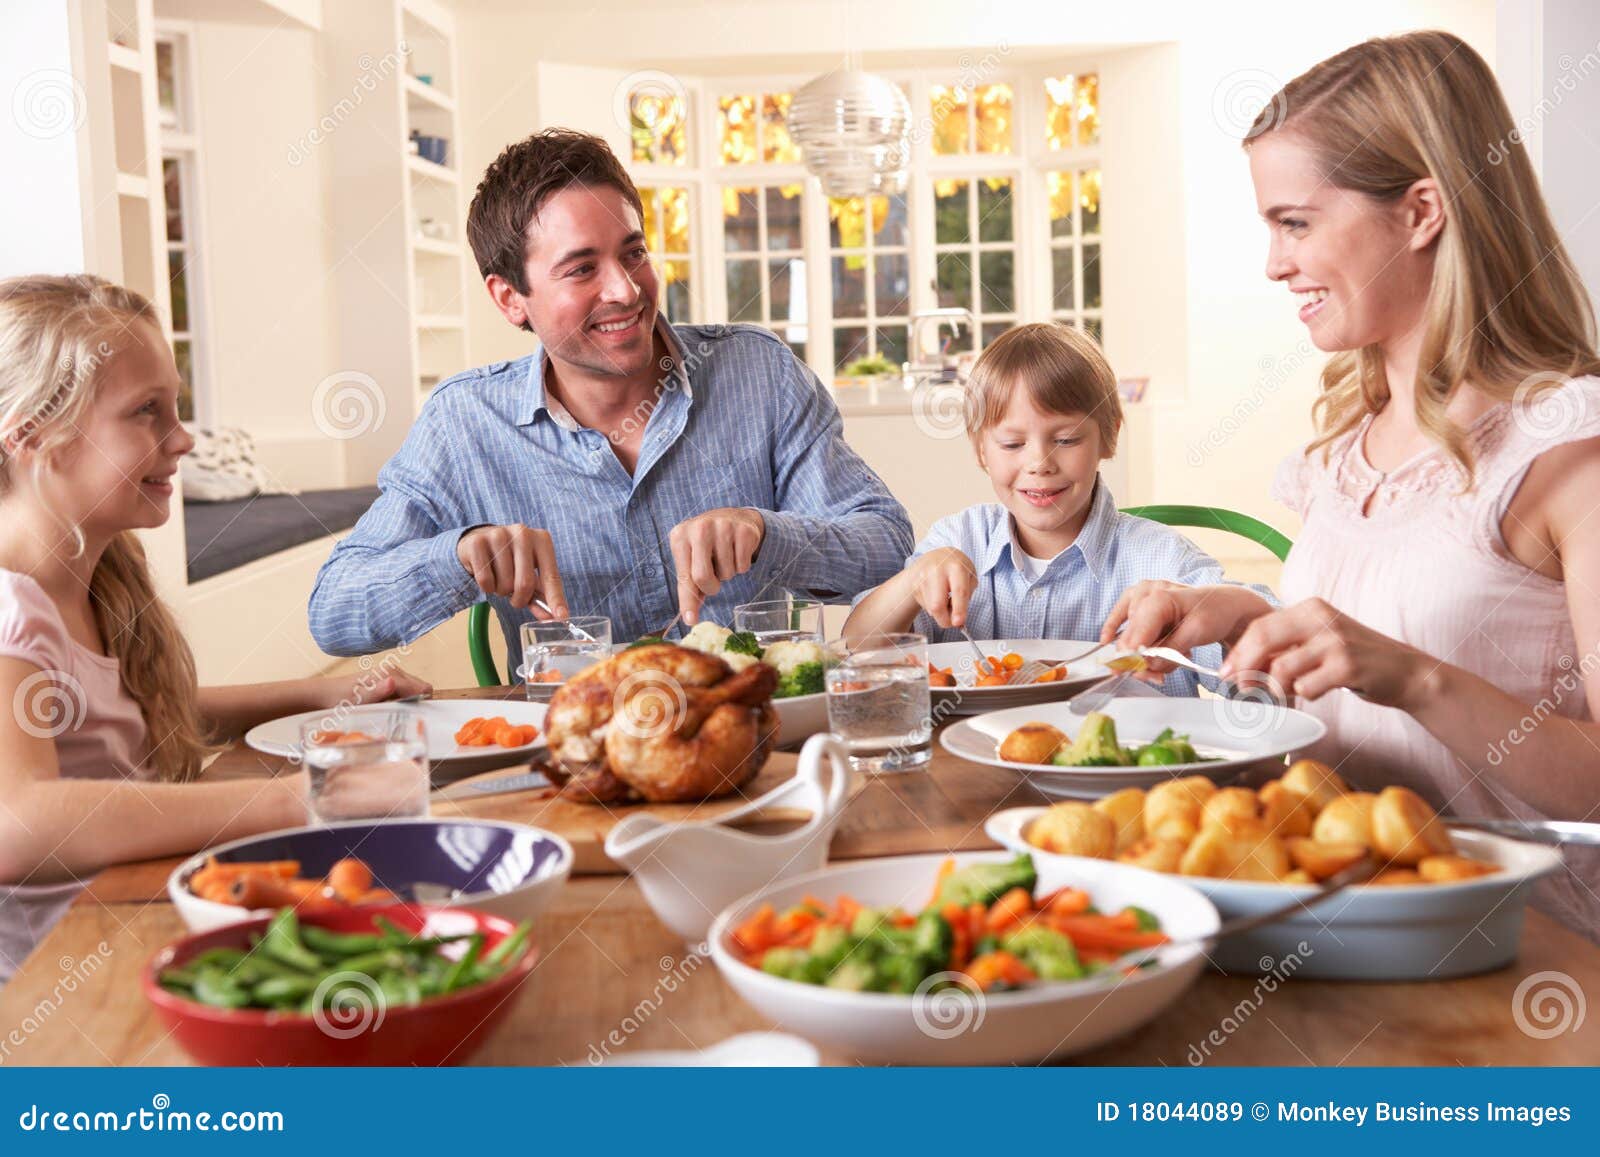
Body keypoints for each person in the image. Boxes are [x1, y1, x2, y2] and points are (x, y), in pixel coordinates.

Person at [1105, 31, 1600, 934]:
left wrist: (1411, 676)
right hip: (1336, 925)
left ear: (1420, 213)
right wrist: (1241, 617)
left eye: (1295, 222)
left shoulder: (1569, 445)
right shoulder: (1346, 446)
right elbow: (1374, 645)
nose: (1274, 263)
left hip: (1527, 951)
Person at [308, 129, 912, 661]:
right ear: (509, 298)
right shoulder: (465, 423)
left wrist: (765, 532)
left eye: (634, 253)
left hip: (762, 737)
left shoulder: (758, 371)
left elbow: (886, 543)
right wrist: (458, 557)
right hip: (583, 756)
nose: (625, 290)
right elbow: (334, 612)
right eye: (581, 269)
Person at [0, 275, 429, 981]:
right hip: (62, 983)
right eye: (146, 412)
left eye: (177, 406)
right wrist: (299, 797)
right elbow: (20, 821)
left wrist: (326, 695)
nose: (183, 438)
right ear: (33, 434)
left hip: (136, 917)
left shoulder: (100, 576)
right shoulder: (14, 610)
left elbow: (123, 713)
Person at [845, 323, 1271, 696]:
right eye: (1012, 444)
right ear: (980, 451)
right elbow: (854, 651)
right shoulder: (959, 540)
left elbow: (1268, 671)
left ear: (1107, 437)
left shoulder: (1162, 560)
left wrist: (1220, 612)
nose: (1039, 463)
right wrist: (912, 581)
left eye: (1066, 440)